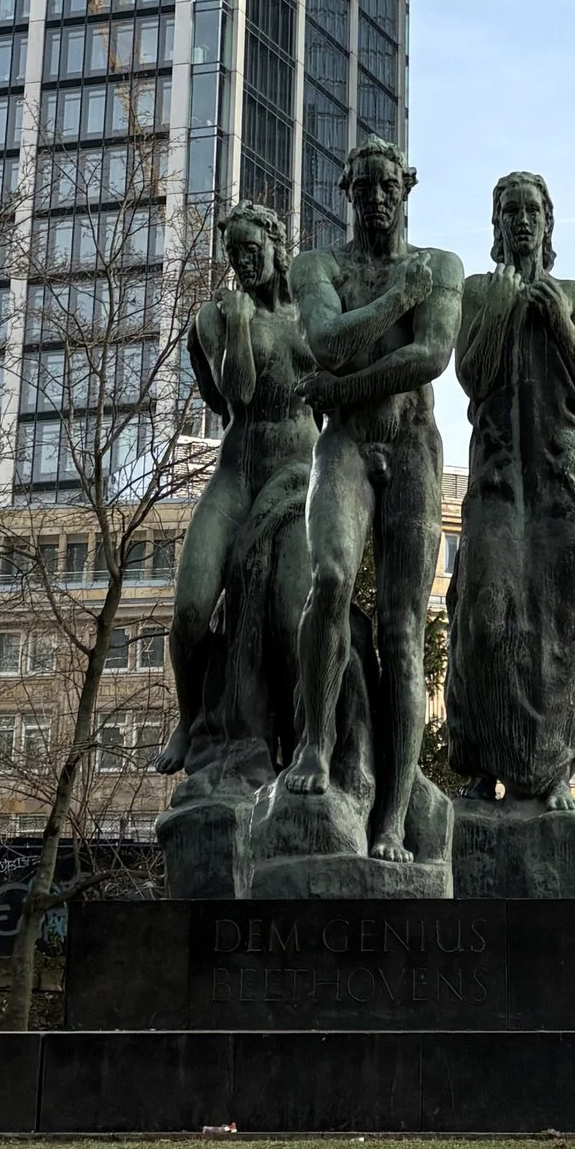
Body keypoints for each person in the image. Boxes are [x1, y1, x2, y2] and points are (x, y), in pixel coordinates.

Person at [281, 137, 462, 860]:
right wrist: (395, 301)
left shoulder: (442, 266)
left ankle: (390, 819)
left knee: (401, 633)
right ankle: (316, 743)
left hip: (414, 448)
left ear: (407, 188)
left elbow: (432, 357)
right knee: (327, 577)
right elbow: (325, 341)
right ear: (346, 192)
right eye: (364, 186)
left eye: (389, 184)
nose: (377, 197)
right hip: (348, 446)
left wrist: (344, 386)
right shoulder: (319, 266)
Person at [444, 170, 575, 802]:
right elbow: (472, 378)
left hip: (561, 485)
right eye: (508, 211)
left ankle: (554, 772)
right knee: (484, 618)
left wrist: (559, 324)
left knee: (562, 623)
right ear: (496, 227)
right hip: (496, 483)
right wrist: (507, 312)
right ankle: (482, 763)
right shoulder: (480, 292)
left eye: (529, 210)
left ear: (547, 222)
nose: (519, 220)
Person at [155, 202, 316, 776]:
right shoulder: (217, 315)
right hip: (236, 476)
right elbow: (238, 393)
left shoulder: (311, 313)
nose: (243, 262)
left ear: (277, 245)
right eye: (234, 254)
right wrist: (242, 324)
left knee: (291, 617)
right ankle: (189, 716)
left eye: (252, 249)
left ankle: (303, 739)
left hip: (297, 480)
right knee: (192, 608)